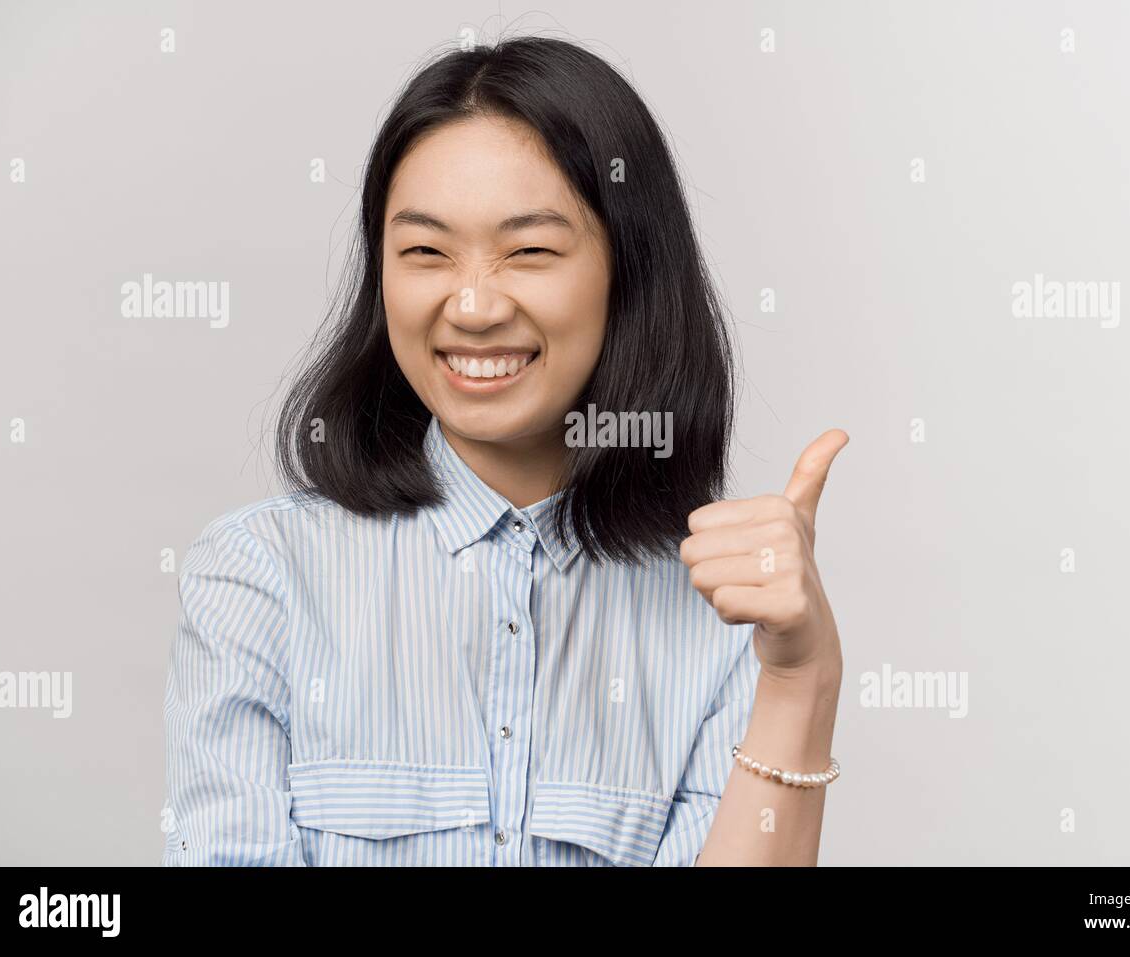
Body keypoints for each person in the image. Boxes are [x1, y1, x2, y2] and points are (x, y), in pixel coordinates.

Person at [161, 34, 848, 867]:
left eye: (530, 251)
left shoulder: (726, 613)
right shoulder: (258, 576)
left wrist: (797, 674)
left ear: (627, 274)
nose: (474, 304)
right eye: (425, 252)